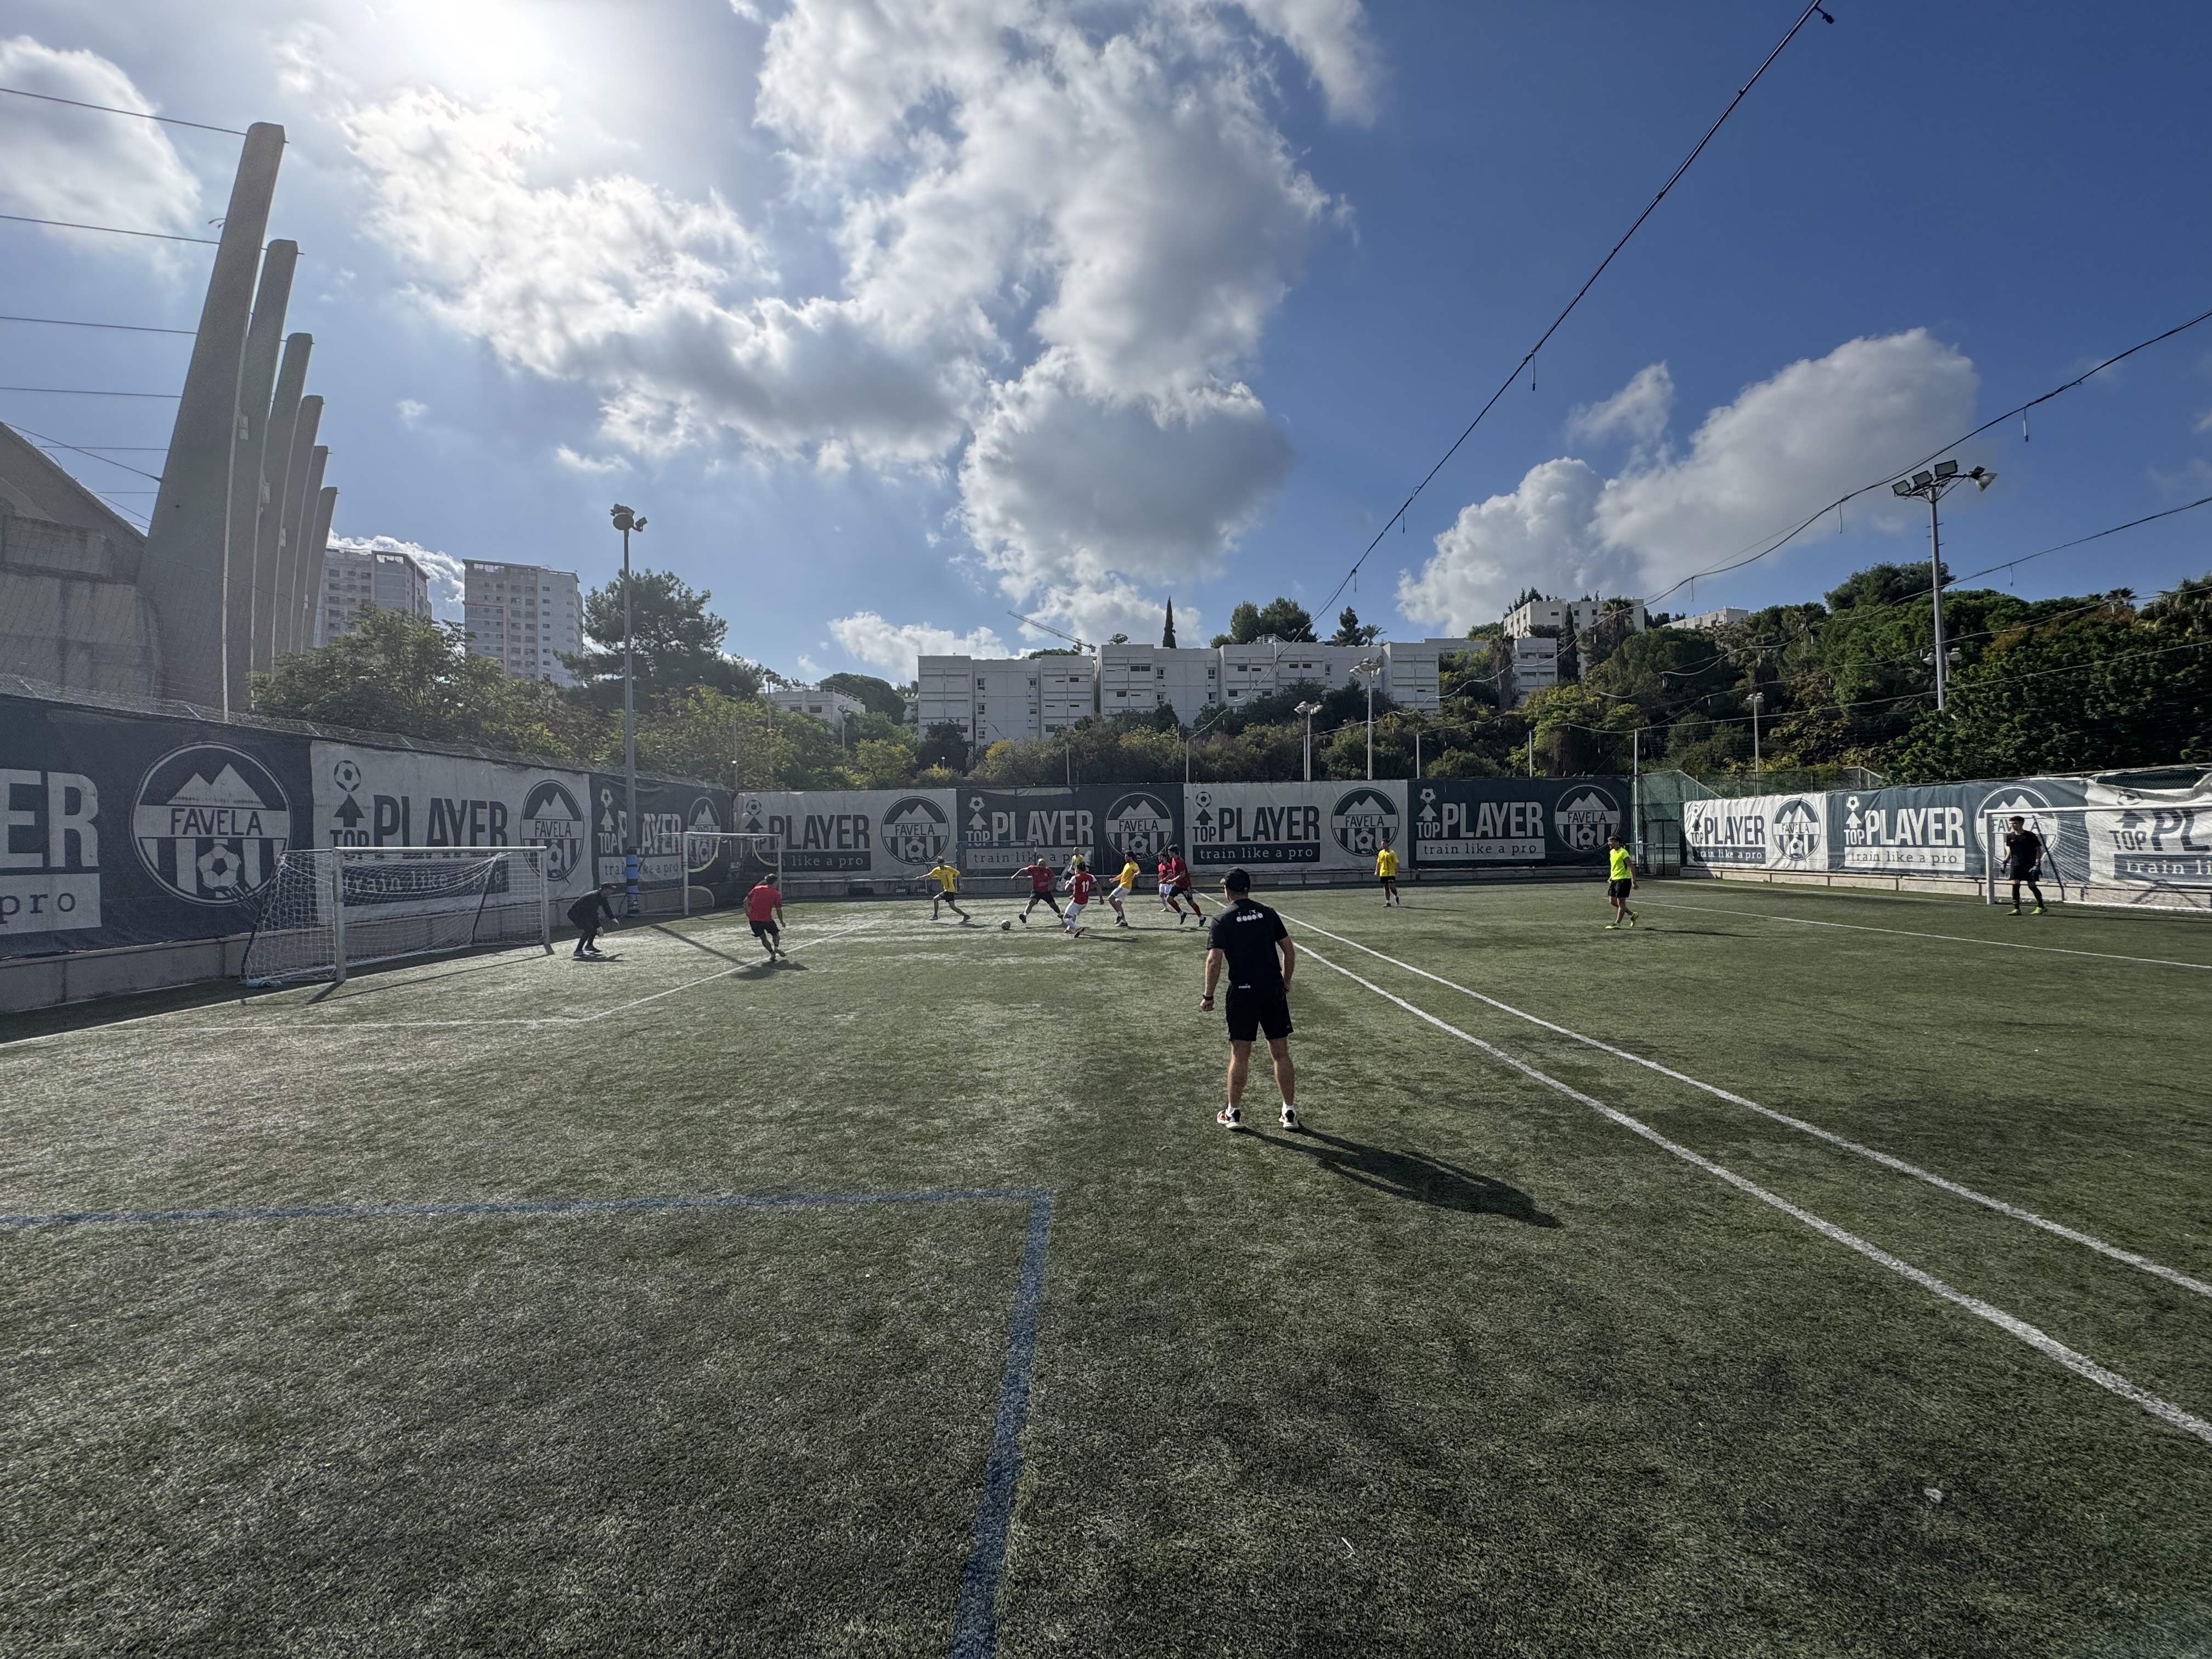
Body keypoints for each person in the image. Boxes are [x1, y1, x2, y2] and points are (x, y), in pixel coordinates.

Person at [1200, 868, 1299, 1131]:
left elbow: (1214, 961)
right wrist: (1286, 980)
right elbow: (1289, 950)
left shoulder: (1222, 919)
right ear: (1248, 889)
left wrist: (1208, 995)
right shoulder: (1268, 913)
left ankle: (1233, 1114)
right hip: (1272, 989)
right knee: (1281, 1053)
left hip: (1243, 991)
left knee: (1240, 1054)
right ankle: (1289, 1112)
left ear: (1227, 890)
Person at [2004, 815, 2047, 915]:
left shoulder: (2030, 835)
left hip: (2029, 865)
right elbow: (2009, 852)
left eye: (2015, 823)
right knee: (2015, 885)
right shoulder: (2010, 836)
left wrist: (2037, 863)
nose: (2013, 825)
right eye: (2011, 823)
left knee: (2032, 885)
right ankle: (2017, 909)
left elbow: (2038, 850)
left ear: (2021, 823)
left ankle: (2041, 906)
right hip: (2016, 865)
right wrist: (2005, 862)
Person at [568, 883, 617, 958]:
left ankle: (589, 946)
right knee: (589, 930)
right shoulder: (593, 897)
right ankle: (578, 951)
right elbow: (592, 913)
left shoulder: (602, 897)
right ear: (605, 890)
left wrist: (612, 918)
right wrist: (599, 926)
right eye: (610, 890)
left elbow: (606, 908)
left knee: (593, 928)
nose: (612, 892)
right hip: (576, 914)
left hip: (585, 914)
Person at [1011, 855, 1063, 924]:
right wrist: (1015, 876)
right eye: (1040, 865)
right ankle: (1025, 916)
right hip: (1036, 891)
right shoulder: (1033, 868)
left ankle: (1060, 914)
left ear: (1045, 865)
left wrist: (1045, 883)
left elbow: (1053, 880)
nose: (1041, 866)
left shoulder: (1048, 871)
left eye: (1042, 865)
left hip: (1045, 892)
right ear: (1037, 864)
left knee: (1053, 905)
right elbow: (1023, 870)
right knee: (1032, 902)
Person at [744, 873, 784, 960]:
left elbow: (745, 902)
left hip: (754, 921)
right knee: (776, 935)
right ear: (776, 882)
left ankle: (771, 952)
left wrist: (748, 913)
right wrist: (781, 921)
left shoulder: (757, 889)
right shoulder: (776, 894)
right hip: (767, 920)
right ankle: (776, 947)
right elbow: (778, 910)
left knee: (763, 938)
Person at [1160, 845, 1204, 924]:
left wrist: (1172, 881)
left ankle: (1202, 918)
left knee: (1191, 902)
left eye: (1169, 852)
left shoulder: (1180, 862)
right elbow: (1176, 873)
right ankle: (1182, 914)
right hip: (1177, 885)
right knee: (1169, 899)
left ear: (1173, 852)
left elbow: (1182, 875)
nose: (1168, 854)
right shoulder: (1173, 860)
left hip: (1185, 885)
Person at [926, 856, 973, 924]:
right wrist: (921, 877)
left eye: (942, 863)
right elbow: (929, 875)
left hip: (950, 890)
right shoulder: (937, 870)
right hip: (947, 890)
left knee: (936, 899)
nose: (941, 865)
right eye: (939, 863)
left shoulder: (949, 869)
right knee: (952, 906)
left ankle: (935, 916)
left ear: (944, 863)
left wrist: (961, 883)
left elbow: (958, 873)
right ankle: (966, 916)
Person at [1604, 835, 1637, 929]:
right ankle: (1632, 914)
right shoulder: (1612, 852)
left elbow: (1631, 867)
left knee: (1621, 902)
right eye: (1608, 841)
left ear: (1617, 842)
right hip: (1615, 880)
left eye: (1611, 841)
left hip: (1624, 880)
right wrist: (1611, 877)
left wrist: (1633, 881)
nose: (1609, 843)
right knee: (1613, 902)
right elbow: (1616, 867)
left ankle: (1617, 923)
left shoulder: (1623, 853)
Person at [1062, 857, 1097, 936]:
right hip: (1084, 903)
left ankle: (1078, 928)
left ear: (1077, 870)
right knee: (1073, 914)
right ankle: (1069, 929)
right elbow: (1096, 886)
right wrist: (1101, 898)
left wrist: (1068, 884)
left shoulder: (1075, 877)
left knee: (1066, 918)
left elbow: (1067, 889)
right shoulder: (1090, 876)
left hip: (1077, 901)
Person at [1108, 853, 1141, 927]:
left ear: (1131, 857)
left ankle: (1120, 915)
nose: (1125, 858)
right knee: (1118, 903)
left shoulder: (1134, 865)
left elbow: (1138, 871)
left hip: (1124, 887)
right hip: (1126, 888)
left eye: (1126, 857)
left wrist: (1137, 874)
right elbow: (1122, 875)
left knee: (1110, 899)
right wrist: (1114, 879)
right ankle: (1124, 922)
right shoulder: (1127, 865)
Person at [1376, 840, 1402, 906]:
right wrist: (1377, 871)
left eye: (1384, 843)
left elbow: (1396, 862)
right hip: (1383, 873)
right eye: (1382, 844)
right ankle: (1388, 902)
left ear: (1387, 844)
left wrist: (1398, 871)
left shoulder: (1392, 853)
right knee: (1386, 887)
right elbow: (1379, 862)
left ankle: (1396, 895)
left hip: (1391, 873)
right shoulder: (1381, 853)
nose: (1382, 845)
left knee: (1391, 887)